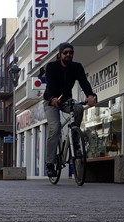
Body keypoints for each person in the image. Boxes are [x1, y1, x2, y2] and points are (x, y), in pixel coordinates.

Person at [42, 42, 96, 177]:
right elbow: (49, 86)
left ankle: (75, 137)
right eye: (65, 52)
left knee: (78, 108)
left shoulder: (76, 67)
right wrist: (52, 98)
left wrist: (90, 95)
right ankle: (49, 164)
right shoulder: (52, 67)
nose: (68, 55)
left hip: (66, 101)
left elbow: (84, 82)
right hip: (50, 101)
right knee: (55, 129)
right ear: (60, 54)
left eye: (71, 53)